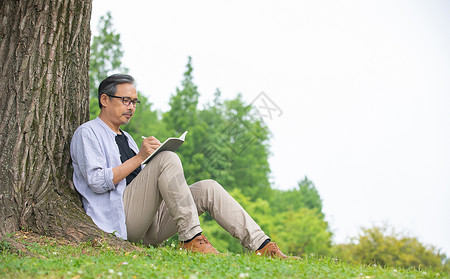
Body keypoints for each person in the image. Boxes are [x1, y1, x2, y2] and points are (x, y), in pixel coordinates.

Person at [70, 74, 296, 259]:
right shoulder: (88, 133)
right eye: (125, 101)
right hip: (119, 220)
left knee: (208, 187)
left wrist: (147, 161)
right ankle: (191, 239)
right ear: (105, 100)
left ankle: (263, 246)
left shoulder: (127, 138)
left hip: (149, 224)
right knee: (167, 159)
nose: (131, 107)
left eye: (134, 102)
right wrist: (141, 158)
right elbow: (97, 182)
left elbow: (137, 179)